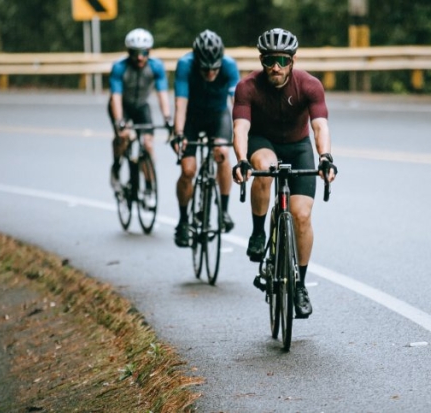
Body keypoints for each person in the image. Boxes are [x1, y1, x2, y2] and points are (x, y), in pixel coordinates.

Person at [231, 28, 337, 319]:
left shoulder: (309, 85)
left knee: (301, 215)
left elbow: (320, 126)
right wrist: (241, 160)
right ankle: (256, 233)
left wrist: (325, 157)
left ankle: (300, 285)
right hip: (263, 143)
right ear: (261, 61)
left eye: (281, 60)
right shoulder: (248, 87)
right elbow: (240, 128)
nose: (275, 67)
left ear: (292, 60)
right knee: (265, 168)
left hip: (298, 145)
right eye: (268, 60)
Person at [171, 30, 240, 247]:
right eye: (205, 69)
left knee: (222, 152)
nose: (210, 73)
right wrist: (179, 134)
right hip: (192, 117)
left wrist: (243, 133)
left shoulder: (229, 66)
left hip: (218, 116)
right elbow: (180, 105)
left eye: (214, 69)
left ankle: (224, 211)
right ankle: (183, 221)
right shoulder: (185, 65)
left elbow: (237, 105)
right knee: (188, 169)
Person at [108, 28, 172, 196]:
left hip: (142, 106)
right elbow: (115, 96)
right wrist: (119, 121)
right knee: (123, 136)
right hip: (122, 106)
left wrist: (167, 117)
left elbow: (162, 94)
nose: (140, 57)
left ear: (149, 51)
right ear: (128, 52)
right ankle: (116, 166)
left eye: (144, 52)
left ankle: (150, 187)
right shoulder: (119, 67)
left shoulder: (157, 66)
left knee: (148, 145)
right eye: (135, 53)